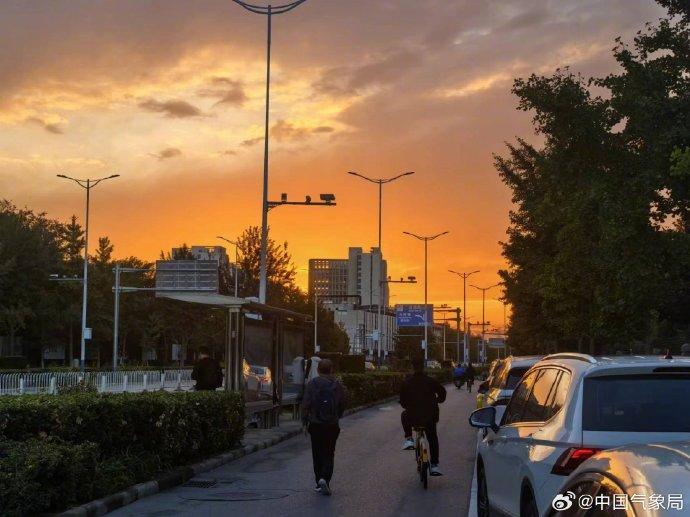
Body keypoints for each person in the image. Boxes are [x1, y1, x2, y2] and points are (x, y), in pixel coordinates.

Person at [301, 358, 347, 495]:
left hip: (315, 424)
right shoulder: (337, 385)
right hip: (331, 425)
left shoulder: (312, 384)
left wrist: (304, 422)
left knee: (317, 453)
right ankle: (325, 479)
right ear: (331, 370)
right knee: (329, 452)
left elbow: (305, 404)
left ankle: (318, 481)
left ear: (318, 370)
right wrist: (337, 416)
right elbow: (342, 403)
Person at [400, 356, 447, 476]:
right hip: (430, 417)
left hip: (413, 417)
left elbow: (403, 401)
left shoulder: (407, 383)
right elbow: (442, 393)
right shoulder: (431, 381)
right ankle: (435, 465)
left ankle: (409, 438)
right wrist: (438, 400)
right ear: (423, 367)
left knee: (404, 414)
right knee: (432, 438)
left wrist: (409, 406)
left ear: (412, 368)